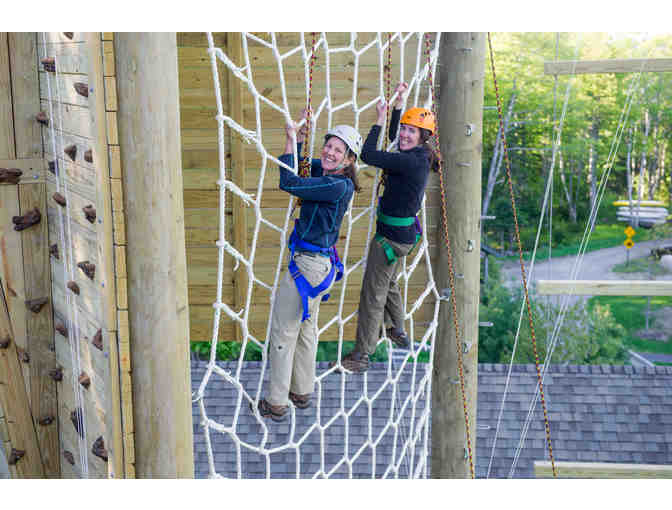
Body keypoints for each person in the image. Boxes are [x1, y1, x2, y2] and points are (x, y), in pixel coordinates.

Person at [253, 110, 362, 421]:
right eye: (328, 146)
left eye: (338, 150)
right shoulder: (334, 179)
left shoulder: (336, 186)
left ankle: (276, 402)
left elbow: (289, 181)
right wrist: (300, 139)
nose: (329, 152)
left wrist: (288, 139)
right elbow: (301, 167)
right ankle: (301, 391)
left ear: (349, 159)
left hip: (309, 265)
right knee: (305, 329)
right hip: (320, 266)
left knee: (283, 332)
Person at [338, 82, 437, 373]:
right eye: (405, 128)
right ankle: (397, 328)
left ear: (423, 137)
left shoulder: (409, 162)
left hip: (390, 240)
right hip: (404, 235)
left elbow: (367, 155)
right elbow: (395, 140)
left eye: (411, 131)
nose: (404, 134)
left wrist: (379, 118)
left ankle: (362, 355)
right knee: (388, 282)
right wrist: (398, 105)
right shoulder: (418, 156)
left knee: (373, 293)